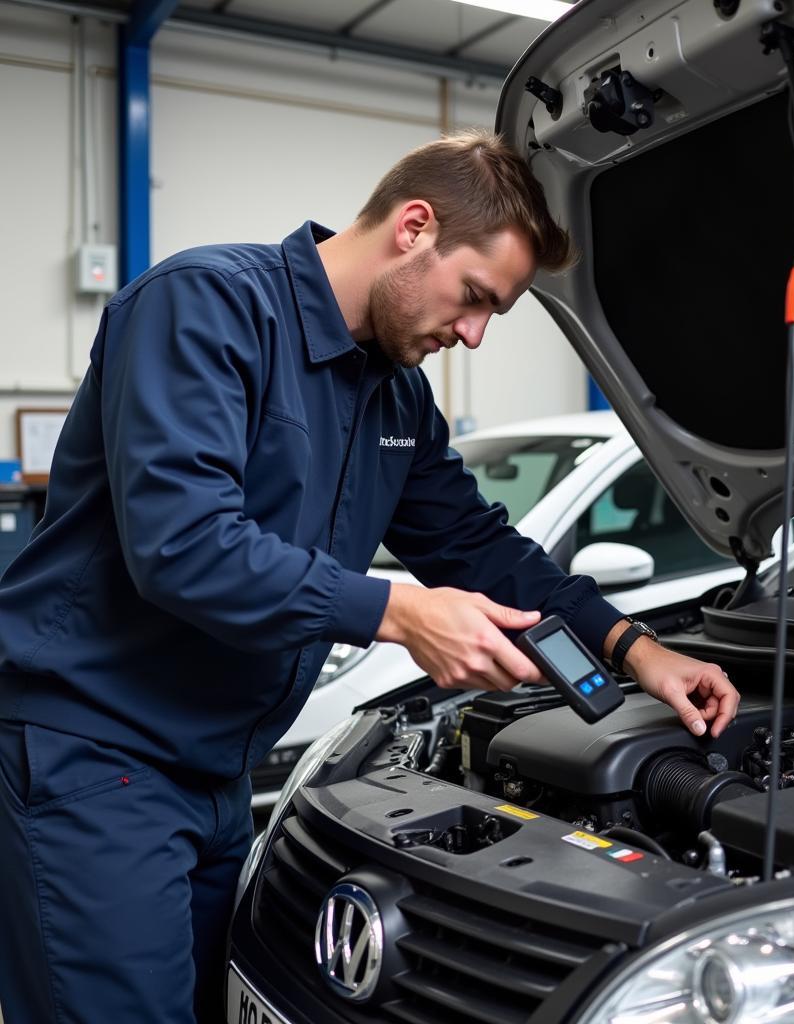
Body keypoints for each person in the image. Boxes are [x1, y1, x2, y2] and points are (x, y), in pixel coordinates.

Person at [0, 129, 738, 1023]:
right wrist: (399, 611)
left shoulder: (394, 396)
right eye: (473, 298)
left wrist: (637, 649)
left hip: (216, 779)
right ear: (414, 227)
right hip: (96, 756)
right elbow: (183, 544)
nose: (470, 334)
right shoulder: (204, 307)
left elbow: (479, 544)